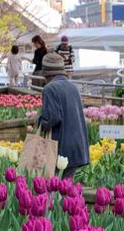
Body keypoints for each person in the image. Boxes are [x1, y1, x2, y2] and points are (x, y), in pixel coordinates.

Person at [37, 52, 90, 181]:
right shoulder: (72, 87)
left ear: (46, 73)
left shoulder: (50, 88)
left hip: (60, 148)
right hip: (77, 147)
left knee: (54, 192)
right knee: (66, 189)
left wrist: (39, 123)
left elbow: (52, 118)